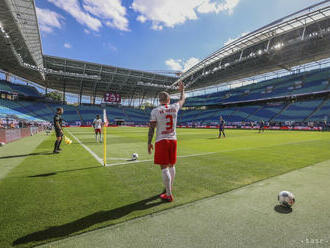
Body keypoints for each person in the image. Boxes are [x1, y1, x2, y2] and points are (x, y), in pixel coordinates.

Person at [148, 81, 185, 202]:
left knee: (164, 167)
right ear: (169, 100)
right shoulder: (174, 107)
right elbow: (182, 99)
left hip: (161, 140)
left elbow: (152, 128)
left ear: (160, 100)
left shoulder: (155, 111)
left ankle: (168, 194)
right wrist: (181, 90)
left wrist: (149, 142)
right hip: (173, 140)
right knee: (172, 165)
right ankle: (170, 187)